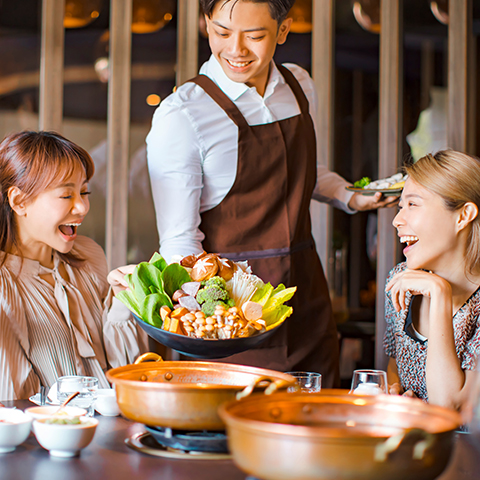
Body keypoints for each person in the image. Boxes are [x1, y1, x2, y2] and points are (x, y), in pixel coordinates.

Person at [143, 0, 396, 387]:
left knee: (314, 424)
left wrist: (349, 196)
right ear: (205, 24)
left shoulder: (298, 84)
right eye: (222, 32)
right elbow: (180, 241)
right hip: (233, 313)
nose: (236, 50)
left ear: (282, 30)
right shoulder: (183, 115)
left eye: (255, 35)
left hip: (306, 295)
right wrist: (212, 319)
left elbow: (305, 172)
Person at [0, 131, 148, 401]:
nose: (82, 207)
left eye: (84, 191)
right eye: (67, 195)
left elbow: (127, 374)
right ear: (19, 201)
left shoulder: (89, 256)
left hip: (112, 431)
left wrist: (124, 302)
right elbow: (12, 403)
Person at [384, 150, 480, 409]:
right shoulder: (400, 280)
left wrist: (439, 293)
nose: (397, 220)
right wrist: (393, 392)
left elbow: (449, 406)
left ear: (463, 216)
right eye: (400, 206)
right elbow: (395, 364)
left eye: (413, 205)